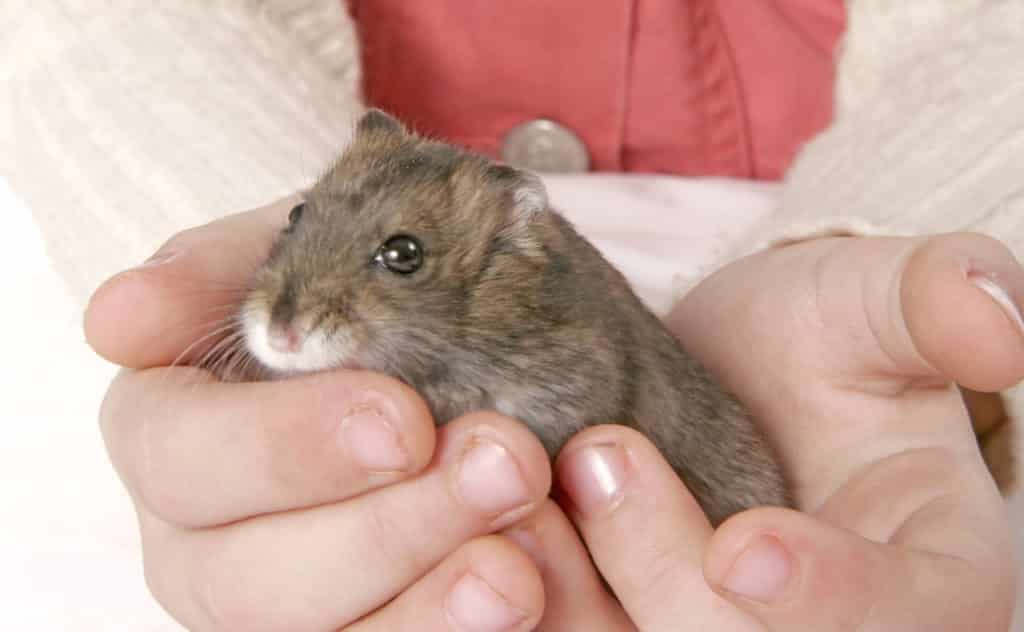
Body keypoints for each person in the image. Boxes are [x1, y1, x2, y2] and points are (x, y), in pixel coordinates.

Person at [84, 1, 1024, 630]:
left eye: (401, 258)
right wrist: (217, 213)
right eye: (301, 224)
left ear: (509, 246)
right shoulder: (359, 242)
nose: (294, 311)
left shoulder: (542, 332)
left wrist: (873, 269)